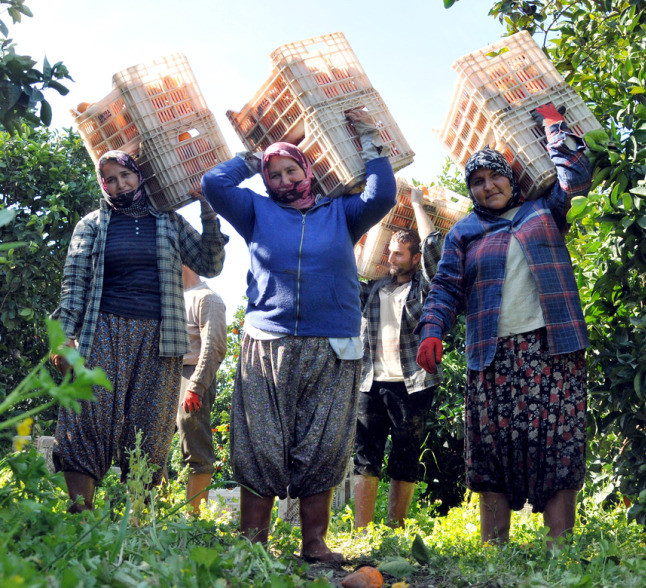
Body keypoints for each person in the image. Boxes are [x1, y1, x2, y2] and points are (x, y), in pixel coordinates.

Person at [201, 108, 396, 562]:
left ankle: (314, 544)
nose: (286, 180)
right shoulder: (255, 212)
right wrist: (252, 158)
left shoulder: (341, 214)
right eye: (276, 174)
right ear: (266, 183)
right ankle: (253, 541)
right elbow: (213, 186)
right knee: (260, 441)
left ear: (308, 170)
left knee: (324, 443)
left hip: (333, 343)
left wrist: (370, 144)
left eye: (292, 169)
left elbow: (382, 194)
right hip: (268, 343)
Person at [415, 103, 592, 549]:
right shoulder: (464, 233)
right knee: (491, 448)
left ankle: (559, 547)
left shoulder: (543, 210)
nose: (488, 185)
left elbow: (576, 177)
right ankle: (494, 549)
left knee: (558, 443)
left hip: (553, 348)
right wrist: (432, 329)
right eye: (477, 181)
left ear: (511, 179)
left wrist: (554, 127)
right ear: (470, 190)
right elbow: (444, 288)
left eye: (495, 176)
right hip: (492, 355)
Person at [50, 150, 226, 514]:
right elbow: (74, 284)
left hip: (161, 337)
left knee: (150, 425)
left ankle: (139, 518)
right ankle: (80, 511)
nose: (119, 184)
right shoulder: (92, 225)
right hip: (104, 331)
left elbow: (211, 262)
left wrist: (206, 207)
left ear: (139, 176)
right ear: (102, 184)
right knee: (87, 414)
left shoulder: (168, 221)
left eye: (125, 175)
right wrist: (64, 338)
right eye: (110, 179)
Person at [353, 186, 443, 529]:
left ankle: (395, 527)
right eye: (389, 252)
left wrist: (418, 205)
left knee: (405, 455)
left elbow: (434, 246)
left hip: (413, 383)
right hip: (371, 381)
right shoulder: (375, 288)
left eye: (400, 254)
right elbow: (345, 279)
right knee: (365, 456)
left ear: (414, 258)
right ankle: (362, 530)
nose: (392, 259)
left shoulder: (423, 287)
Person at [176, 265, 227, 515]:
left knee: (196, 449)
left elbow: (214, 346)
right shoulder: (171, 297)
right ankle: (155, 512)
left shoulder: (207, 298)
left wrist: (196, 386)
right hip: (167, 374)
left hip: (192, 375)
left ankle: (194, 517)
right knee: (151, 444)